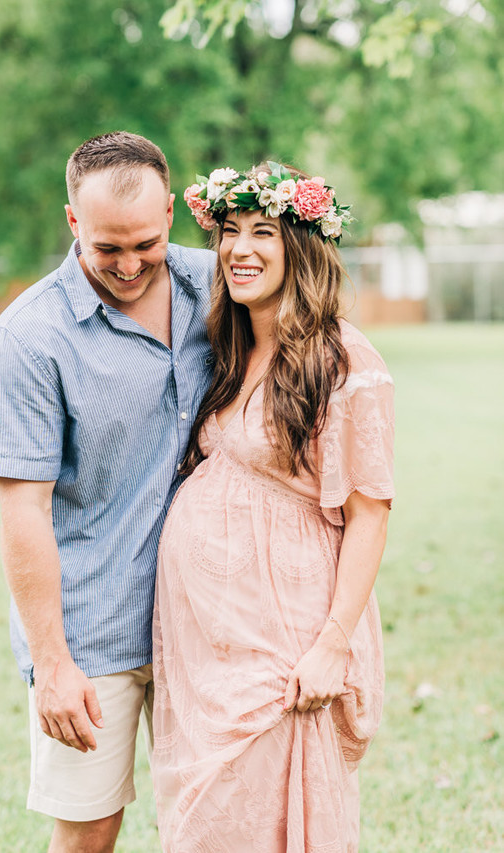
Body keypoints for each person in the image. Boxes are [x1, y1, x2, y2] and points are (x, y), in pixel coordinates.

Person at [0, 131, 215, 853]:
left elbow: (315, 316)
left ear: (171, 213)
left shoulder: (219, 286)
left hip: (204, 616)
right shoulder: (28, 338)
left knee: (218, 817)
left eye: (146, 243)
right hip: (91, 632)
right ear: (73, 220)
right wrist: (52, 662)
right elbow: (23, 511)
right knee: (90, 829)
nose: (130, 265)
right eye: (108, 247)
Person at [152, 162, 395, 852]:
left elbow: (370, 514)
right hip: (209, 645)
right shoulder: (231, 348)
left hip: (286, 635)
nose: (240, 248)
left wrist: (331, 646)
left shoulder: (341, 359)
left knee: (270, 814)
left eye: (264, 231)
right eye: (229, 231)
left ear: (302, 247)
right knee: (210, 825)